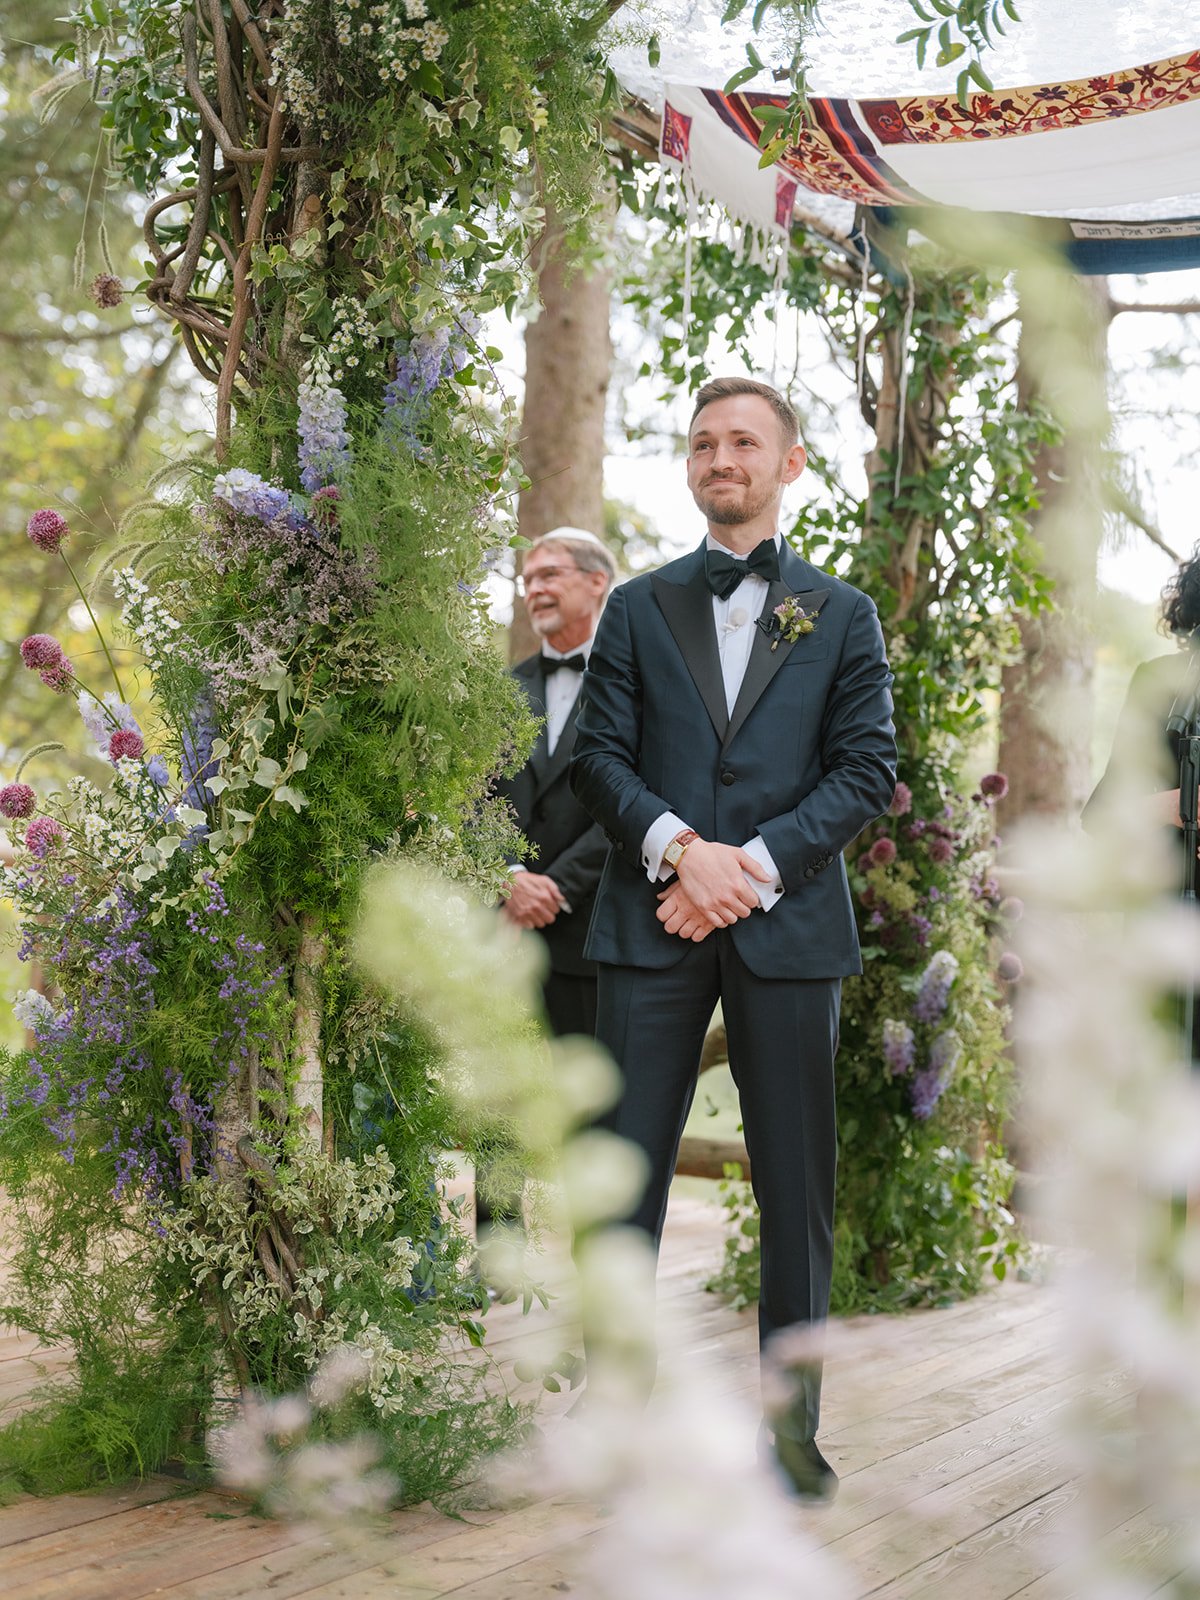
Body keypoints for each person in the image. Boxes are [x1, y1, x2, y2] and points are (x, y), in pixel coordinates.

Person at [570, 376, 896, 1500]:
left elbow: (866, 771)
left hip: (788, 926)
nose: (722, 457)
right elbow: (597, 756)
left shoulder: (844, 614)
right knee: (623, 1175)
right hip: (648, 923)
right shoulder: (637, 606)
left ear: (788, 464)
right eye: (704, 442)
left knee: (796, 1183)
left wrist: (742, 870)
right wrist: (678, 850)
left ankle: (792, 1431)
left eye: (744, 441)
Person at [477, 527, 616, 1238]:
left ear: (597, 581)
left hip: (590, 928)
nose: (534, 588)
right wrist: (507, 879)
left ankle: (595, 1248)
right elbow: (474, 799)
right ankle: (496, 1243)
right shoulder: (503, 692)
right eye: (527, 578)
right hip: (504, 921)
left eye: (550, 574)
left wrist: (555, 887)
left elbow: (635, 801)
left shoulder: (635, 686)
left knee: (588, 1101)